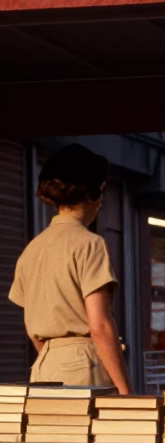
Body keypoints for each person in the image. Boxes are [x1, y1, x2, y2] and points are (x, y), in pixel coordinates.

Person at [9, 144, 130, 392]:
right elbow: (100, 325)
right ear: (91, 193)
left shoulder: (31, 249)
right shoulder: (90, 244)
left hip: (44, 366)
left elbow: (32, 331)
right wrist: (126, 392)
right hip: (85, 366)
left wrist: (58, 355)